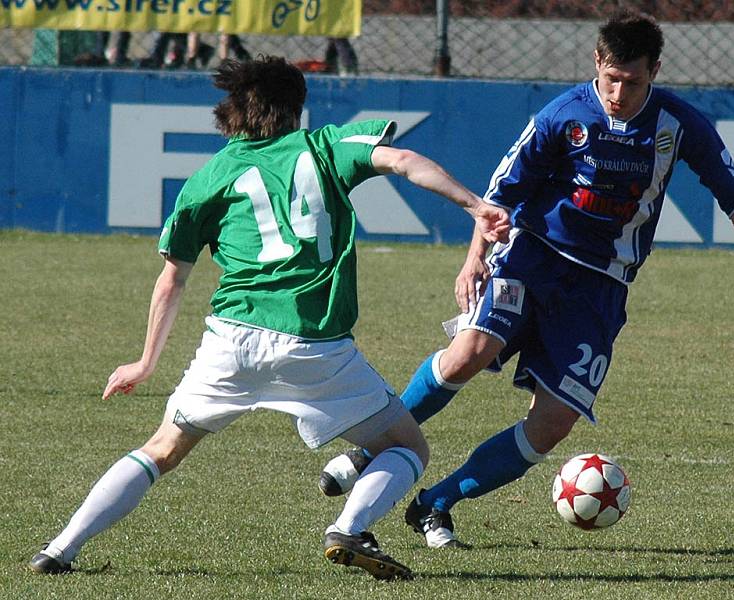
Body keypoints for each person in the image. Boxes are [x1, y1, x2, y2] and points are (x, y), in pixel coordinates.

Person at [28, 56, 510, 579]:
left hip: (230, 341)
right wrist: (473, 205)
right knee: (407, 446)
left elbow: (172, 279)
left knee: (162, 448)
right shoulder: (324, 146)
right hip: (313, 346)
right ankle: (348, 527)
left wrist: (145, 363)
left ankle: (60, 548)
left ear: (228, 114)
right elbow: (404, 160)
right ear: (296, 108)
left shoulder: (209, 178)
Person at [318, 9, 734, 549]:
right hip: (532, 255)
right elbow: (501, 192)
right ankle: (370, 447)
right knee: (470, 352)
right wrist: (473, 259)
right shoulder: (564, 114)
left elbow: (731, 186)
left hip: (602, 284)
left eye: (633, 81)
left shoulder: (678, 122)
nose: (619, 93)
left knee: (554, 422)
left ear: (654, 71)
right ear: (597, 63)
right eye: (611, 79)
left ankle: (435, 503)